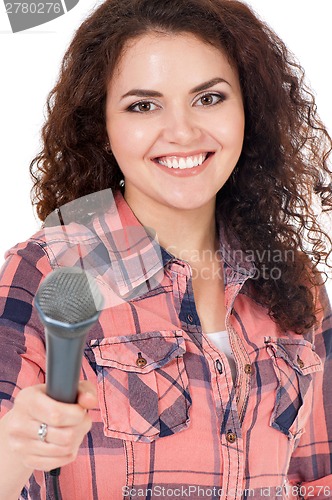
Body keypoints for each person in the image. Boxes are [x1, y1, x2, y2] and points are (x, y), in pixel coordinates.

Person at [0, 0, 331, 498]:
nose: (182, 132)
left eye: (209, 99)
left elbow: (317, 480)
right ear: (103, 126)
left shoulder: (291, 282)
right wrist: (17, 449)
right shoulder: (47, 270)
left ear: (249, 110)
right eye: (142, 105)